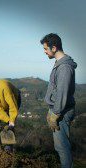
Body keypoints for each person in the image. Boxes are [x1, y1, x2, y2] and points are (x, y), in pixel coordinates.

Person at [40, 33, 77, 168]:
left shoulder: (64, 67)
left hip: (62, 111)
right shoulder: (59, 63)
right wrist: (51, 110)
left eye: (45, 49)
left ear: (54, 48)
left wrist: (55, 113)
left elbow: (62, 93)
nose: (44, 52)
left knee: (62, 148)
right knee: (60, 147)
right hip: (57, 109)